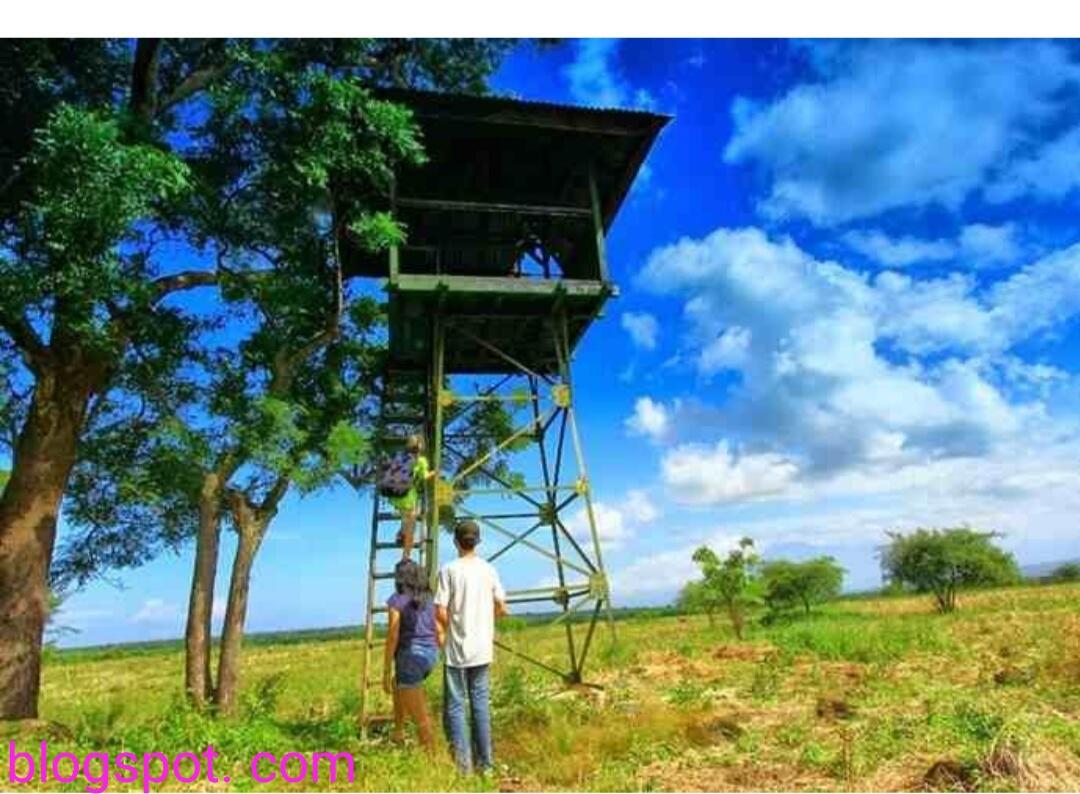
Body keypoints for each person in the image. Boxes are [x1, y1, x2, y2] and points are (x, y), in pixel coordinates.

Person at [434, 520, 508, 775]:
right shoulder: (489, 570)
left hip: (456, 650)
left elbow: (440, 610)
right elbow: (501, 606)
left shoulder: (448, 570)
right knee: (480, 703)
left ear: (455, 541)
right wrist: (485, 621)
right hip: (482, 648)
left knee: (456, 706)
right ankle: (486, 766)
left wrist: (454, 625)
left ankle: (464, 768)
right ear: (478, 541)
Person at [383, 558, 444, 753]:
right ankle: (398, 732)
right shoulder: (428, 597)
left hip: (410, 658)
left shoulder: (397, 599)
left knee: (420, 718)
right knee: (397, 683)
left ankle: (433, 761)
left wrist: (385, 669)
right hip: (430, 656)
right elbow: (438, 626)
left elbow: (393, 634)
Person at [388, 434, 436, 560]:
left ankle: (400, 534)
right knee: (411, 529)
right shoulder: (421, 461)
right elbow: (424, 477)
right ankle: (406, 557)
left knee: (405, 519)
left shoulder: (399, 457)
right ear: (420, 448)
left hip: (396, 497)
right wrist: (434, 472)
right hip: (409, 497)